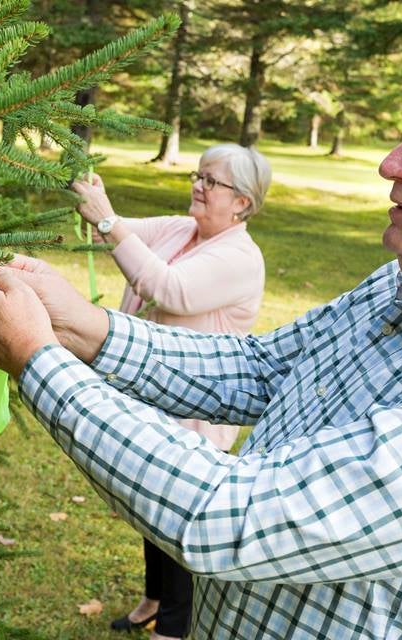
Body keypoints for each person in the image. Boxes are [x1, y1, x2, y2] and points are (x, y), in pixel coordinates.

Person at [0, 29, 402, 639]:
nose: (390, 164)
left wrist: (37, 360)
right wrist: (83, 326)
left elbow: (233, 518)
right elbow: (264, 370)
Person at [69, 144, 271, 640]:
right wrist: (101, 204)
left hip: (197, 414)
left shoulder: (240, 258)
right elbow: (124, 228)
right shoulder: (185, 229)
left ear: (242, 203)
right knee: (147, 508)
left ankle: (173, 629)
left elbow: (167, 288)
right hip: (155, 399)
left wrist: (108, 224)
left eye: (212, 181)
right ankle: (152, 601)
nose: (198, 186)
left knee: (178, 525)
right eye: (198, 175)